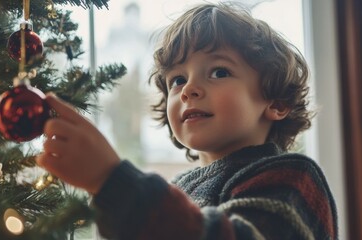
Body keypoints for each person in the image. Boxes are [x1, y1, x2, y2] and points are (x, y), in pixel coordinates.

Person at [37, 2, 338, 239]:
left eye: (219, 72)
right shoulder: (178, 190)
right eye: (177, 80)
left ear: (277, 102)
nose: (188, 90)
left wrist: (111, 181)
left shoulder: (294, 178)